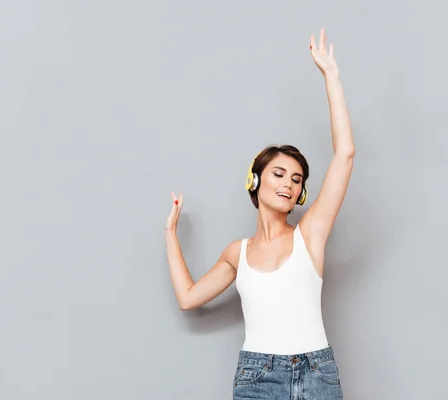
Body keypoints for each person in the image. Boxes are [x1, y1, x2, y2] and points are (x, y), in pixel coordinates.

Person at [165, 28, 355, 399]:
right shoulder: (237, 253)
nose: (288, 184)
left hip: (317, 374)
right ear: (255, 181)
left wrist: (332, 78)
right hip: (258, 377)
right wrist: (171, 235)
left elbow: (344, 154)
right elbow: (188, 298)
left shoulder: (310, 234)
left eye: (297, 180)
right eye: (279, 174)